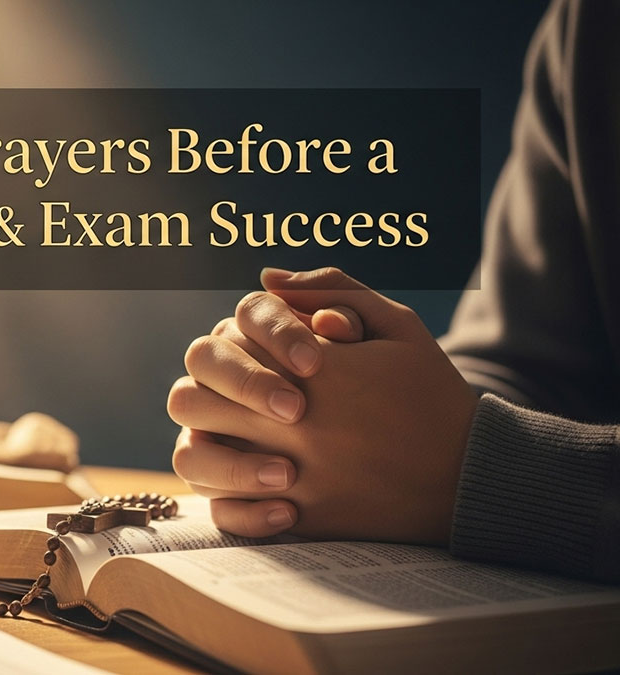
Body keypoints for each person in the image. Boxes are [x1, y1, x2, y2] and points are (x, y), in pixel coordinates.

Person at [167, 0, 619, 584]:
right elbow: (527, 360)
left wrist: (469, 471)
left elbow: (461, 454)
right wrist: (331, 396)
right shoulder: (587, 23)